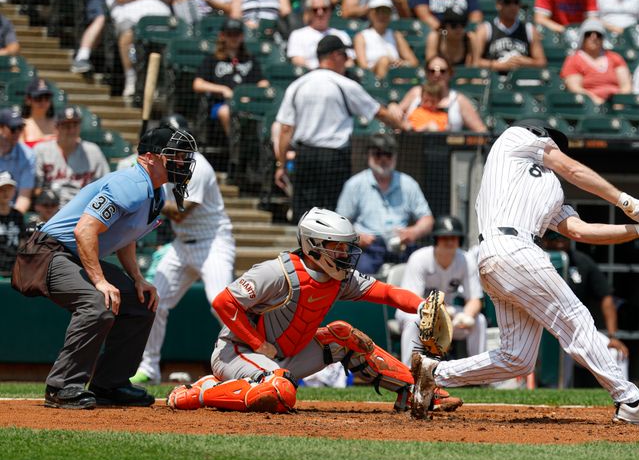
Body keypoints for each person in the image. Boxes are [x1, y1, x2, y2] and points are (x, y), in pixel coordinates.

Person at [408, 119, 639, 425]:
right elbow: (572, 169)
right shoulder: (515, 138)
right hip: (512, 247)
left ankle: (435, 372)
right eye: (553, 143)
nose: (555, 148)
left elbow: (580, 230)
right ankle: (629, 401)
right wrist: (624, 200)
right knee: (575, 319)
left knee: (517, 358)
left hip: (504, 258)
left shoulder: (550, 189)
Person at [166, 207, 463, 414]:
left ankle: (417, 392)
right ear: (315, 247)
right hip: (237, 351)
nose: (346, 255)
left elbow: (385, 292)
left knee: (345, 336)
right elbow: (223, 302)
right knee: (281, 392)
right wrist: (257, 344)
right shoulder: (276, 272)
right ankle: (200, 393)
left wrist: (422, 304)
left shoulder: (338, 277)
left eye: (347, 247)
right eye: (339, 247)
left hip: (284, 355)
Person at [11, 125, 198, 409]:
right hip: (45, 254)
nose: (182, 163)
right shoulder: (131, 184)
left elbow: (126, 237)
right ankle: (62, 387)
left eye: (184, 157)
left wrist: (137, 278)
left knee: (139, 302)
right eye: (175, 156)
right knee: (98, 302)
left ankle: (111, 384)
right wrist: (99, 280)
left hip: (68, 255)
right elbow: (85, 231)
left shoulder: (155, 193)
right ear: (150, 157)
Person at [131, 116, 236, 385]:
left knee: (220, 304)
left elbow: (179, 212)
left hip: (212, 242)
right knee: (155, 302)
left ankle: (244, 363)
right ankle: (148, 367)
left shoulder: (197, 167)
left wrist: (145, 192)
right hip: (181, 245)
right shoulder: (161, 165)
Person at [275, 35, 405, 222]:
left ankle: (306, 252)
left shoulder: (297, 85)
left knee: (305, 219)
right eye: (344, 55)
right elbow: (380, 113)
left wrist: (281, 165)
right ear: (335, 55)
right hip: (334, 158)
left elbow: (286, 129)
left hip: (305, 157)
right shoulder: (344, 84)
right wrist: (404, 126)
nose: (347, 61)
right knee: (332, 219)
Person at [336, 132, 435, 275]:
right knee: (359, 275)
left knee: (425, 265)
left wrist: (413, 232)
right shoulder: (354, 185)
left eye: (388, 154)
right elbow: (340, 223)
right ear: (368, 156)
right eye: (377, 154)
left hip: (401, 245)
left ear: (395, 157)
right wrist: (357, 238)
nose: (383, 159)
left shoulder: (408, 183)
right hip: (367, 248)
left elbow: (427, 220)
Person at [541, 230, 629, 385]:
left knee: (615, 352)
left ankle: (628, 399)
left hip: (574, 330)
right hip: (542, 331)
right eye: (554, 238)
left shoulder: (581, 261)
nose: (560, 241)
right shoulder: (536, 261)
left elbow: (606, 297)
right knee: (549, 378)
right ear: (545, 241)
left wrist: (613, 336)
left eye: (563, 237)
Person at [396, 215, 486, 365]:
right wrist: (439, 313)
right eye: (445, 237)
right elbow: (411, 300)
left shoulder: (465, 260)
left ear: (460, 240)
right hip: (415, 311)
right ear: (436, 239)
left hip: (447, 314)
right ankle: (408, 375)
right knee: (414, 321)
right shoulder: (419, 258)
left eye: (454, 238)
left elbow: (475, 299)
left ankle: (481, 375)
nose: (450, 242)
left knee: (479, 321)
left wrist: (465, 316)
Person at [105, 0, 173, 98]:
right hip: (130, 22)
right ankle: (131, 79)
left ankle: (159, 86)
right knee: (128, 35)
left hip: (160, 23)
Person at [193, 18, 269, 136]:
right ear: (222, 35)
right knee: (226, 112)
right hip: (221, 104)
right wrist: (223, 89)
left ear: (242, 36)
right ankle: (236, 147)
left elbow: (263, 83)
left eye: (237, 34)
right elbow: (198, 84)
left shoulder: (250, 59)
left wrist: (252, 96)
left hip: (247, 103)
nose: (234, 38)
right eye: (230, 34)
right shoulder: (213, 59)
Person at [34, 106, 110, 208]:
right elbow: (36, 189)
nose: (71, 130)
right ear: (56, 127)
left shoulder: (93, 152)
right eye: (66, 125)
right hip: (51, 208)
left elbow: (106, 185)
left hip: (84, 209)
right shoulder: (42, 150)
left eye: (75, 125)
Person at [399, 55, 487, 132]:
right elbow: (397, 114)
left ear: (450, 73)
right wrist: (393, 108)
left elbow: (481, 131)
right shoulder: (415, 92)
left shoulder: (458, 100)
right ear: (426, 73)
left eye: (442, 71)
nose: (437, 74)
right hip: (413, 146)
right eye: (432, 71)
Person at [472, 0, 546, 74]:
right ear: (498, 5)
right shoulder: (485, 29)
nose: (513, 6)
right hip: (493, 80)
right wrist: (500, 65)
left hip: (521, 80)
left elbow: (542, 62)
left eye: (516, 2)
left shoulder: (529, 29)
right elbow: (475, 62)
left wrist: (526, 62)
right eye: (507, 2)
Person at [561, 18, 632, 105]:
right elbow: (575, 88)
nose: (594, 37)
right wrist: (597, 102)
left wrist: (619, 102)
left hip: (617, 104)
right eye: (589, 34)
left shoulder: (615, 57)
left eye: (598, 34)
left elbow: (626, 86)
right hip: (589, 105)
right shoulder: (574, 59)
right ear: (582, 37)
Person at [353, 0, 418, 79]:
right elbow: (363, 67)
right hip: (372, 79)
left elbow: (413, 62)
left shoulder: (396, 35)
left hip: (396, 77)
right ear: (370, 13)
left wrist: (402, 63)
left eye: (386, 11)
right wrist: (384, 63)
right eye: (378, 11)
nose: (382, 15)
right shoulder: (361, 37)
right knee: (384, 60)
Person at [286, 0, 353, 70]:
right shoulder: (298, 35)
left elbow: (349, 61)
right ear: (309, 12)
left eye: (324, 9)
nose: (320, 13)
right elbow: (296, 60)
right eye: (315, 10)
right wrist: (320, 70)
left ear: (330, 11)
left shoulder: (341, 35)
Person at [0, 108, 34, 213]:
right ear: (1, 128)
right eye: (13, 128)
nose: (18, 132)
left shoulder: (28, 155)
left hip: (11, 215)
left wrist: (13, 219)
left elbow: (24, 196)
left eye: (20, 127)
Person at [20, 79, 57, 148]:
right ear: (28, 100)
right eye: (38, 98)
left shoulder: (58, 124)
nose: (43, 102)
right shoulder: (21, 125)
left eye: (47, 98)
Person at [0, 170, 23, 277]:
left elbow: (22, 243)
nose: (6, 193)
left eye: (9, 189)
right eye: (2, 189)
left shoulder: (18, 215)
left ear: (14, 191)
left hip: (15, 270)